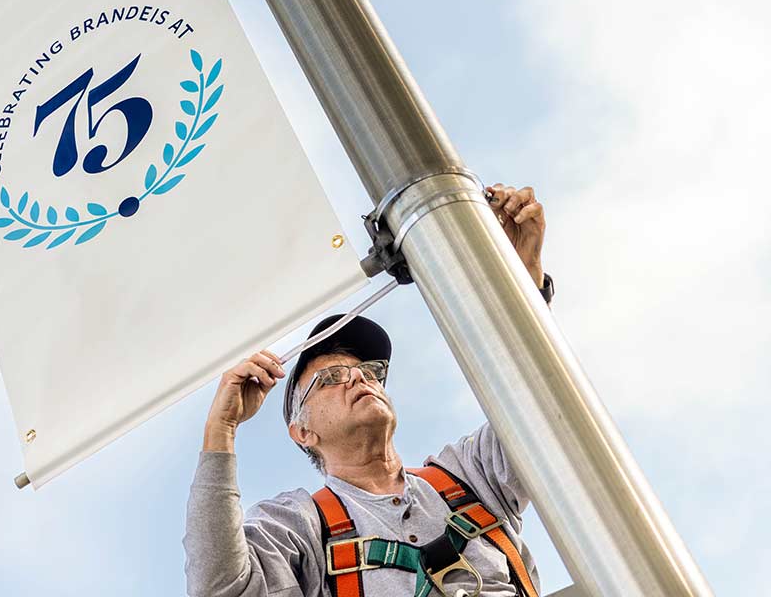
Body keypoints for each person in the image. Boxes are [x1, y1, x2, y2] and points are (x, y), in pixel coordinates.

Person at [184, 183, 552, 597]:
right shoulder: (300, 524)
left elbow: (543, 408)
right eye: (331, 378)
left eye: (369, 370)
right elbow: (223, 590)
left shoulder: (469, 476)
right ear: (303, 432)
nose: (358, 377)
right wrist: (222, 428)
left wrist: (525, 281)